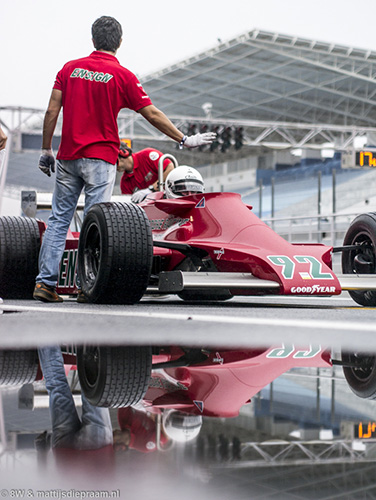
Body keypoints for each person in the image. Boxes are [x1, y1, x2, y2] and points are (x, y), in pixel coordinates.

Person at [33, 15, 216, 303]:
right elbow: (152, 113)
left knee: (58, 221)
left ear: (93, 40)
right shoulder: (123, 76)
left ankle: (45, 284)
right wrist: (182, 138)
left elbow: (51, 111)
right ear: (119, 42)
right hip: (102, 159)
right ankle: (86, 286)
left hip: (68, 157)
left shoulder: (69, 69)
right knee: (97, 225)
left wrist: (46, 150)